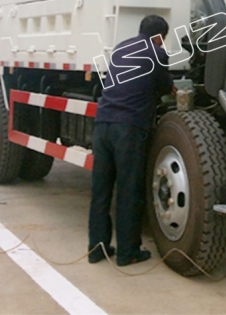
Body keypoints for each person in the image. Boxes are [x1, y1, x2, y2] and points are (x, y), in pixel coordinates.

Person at [88, 15, 173, 266]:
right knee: (128, 191)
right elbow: (162, 87)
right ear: (159, 36)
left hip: (102, 124)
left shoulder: (120, 48)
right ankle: (128, 252)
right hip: (128, 129)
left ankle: (97, 249)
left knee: (101, 190)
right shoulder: (157, 53)